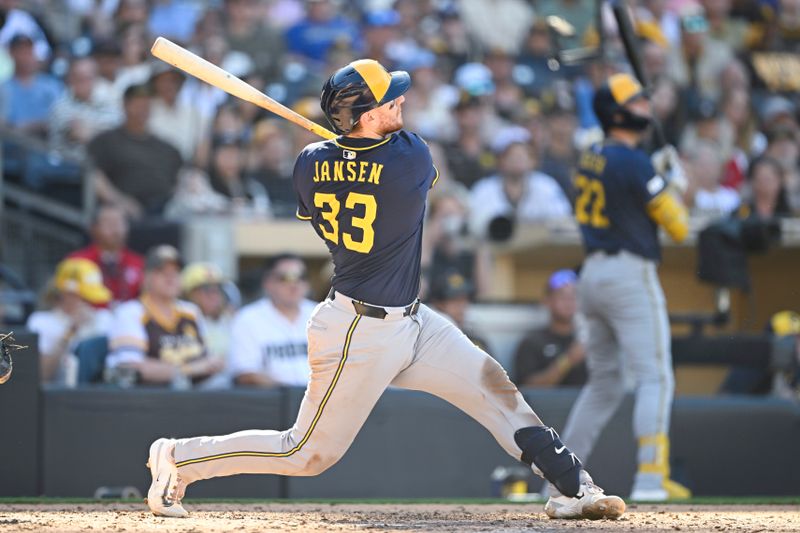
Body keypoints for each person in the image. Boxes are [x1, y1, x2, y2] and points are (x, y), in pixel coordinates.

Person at [145, 59, 625, 521]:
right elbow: (389, 162)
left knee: (496, 391)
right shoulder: (410, 157)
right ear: (368, 114)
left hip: (413, 320)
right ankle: (179, 457)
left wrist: (350, 149)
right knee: (306, 453)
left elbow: (337, 180)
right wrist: (359, 152)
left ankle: (575, 488)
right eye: (390, 101)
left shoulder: (309, 162)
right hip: (358, 330)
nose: (401, 102)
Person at [558, 73, 692, 502]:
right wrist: (674, 183)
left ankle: (559, 477)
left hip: (592, 276)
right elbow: (678, 225)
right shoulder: (634, 162)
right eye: (635, 102)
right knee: (655, 376)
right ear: (617, 112)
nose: (645, 107)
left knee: (604, 384)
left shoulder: (591, 154)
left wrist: (656, 172)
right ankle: (651, 479)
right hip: (628, 274)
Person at [106, 245, 223, 388]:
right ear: (146, 276)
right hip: (147, 399)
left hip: (195, 395)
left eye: (176, 271)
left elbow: (209, 360)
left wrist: (212, 364)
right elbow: (129, 368)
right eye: (161, 271)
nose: (171, 277)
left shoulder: (191, 311)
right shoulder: (131, 312)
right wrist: (189, 370)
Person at [88, 83, 183, 218]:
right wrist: (119, 201)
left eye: (147, 104)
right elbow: (93, 176)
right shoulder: (106, 141)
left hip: (166, 212)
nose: (142, 109)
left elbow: (180, 178)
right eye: (137, 104)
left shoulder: (167, 148)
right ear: (125, 105)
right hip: (123, 213)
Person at [228, 254, 316, 388]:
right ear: (268, 283)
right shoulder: (247, 319)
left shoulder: (325, 314)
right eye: (285, 278)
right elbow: (245, 373)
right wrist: (293, 393)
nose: (294, 284)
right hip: (273, 403)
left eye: (300, 277)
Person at [26, 258, 113, 386]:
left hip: (98, 395)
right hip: (57, 399)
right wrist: (70, 332)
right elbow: (42, 375)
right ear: (66, 294)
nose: (87, 304)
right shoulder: (41, 322)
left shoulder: (104, 318)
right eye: (83, 297)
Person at [513, 270, 587, 388]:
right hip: (546, 406)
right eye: (562, 296)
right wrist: (568, 361)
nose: (569, 301)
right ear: (547, 301)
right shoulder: (532, 342)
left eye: (573, 296)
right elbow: (526, 389)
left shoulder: (586, 341)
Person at [69, 204, 145, 305]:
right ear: (94, 228)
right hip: (89, 318)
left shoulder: (139, 263)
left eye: (119, 223)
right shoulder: (76, 262)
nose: (115, 229)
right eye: (109, 223)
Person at [427, 270, 490, 352]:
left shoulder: (476, 341)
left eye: (464, 299)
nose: (461, 305)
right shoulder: (430, 343)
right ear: (438, 304)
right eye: (454, 300)